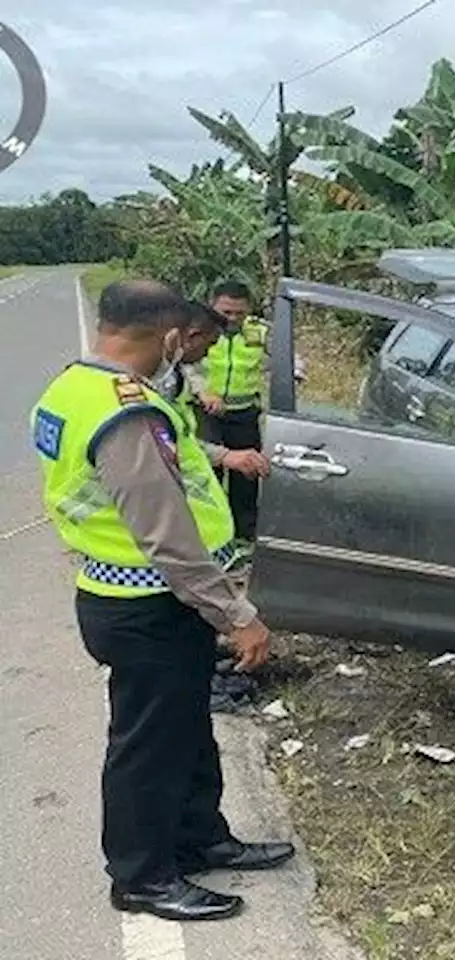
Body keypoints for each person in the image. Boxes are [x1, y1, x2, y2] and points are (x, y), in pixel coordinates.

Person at [30, 279, 294, 923]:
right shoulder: (127, 409)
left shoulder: (74, 387)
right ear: (169, 335)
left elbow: (170, 454)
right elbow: (168, 538)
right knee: (148, 745)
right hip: (148, 604)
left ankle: (199, 838)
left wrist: (222, 452)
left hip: (133, 598)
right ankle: (143, 877)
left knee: (186, 731)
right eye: (185, 340)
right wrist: (238, 615)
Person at [190, 281, 269, 550]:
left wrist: (295, 370)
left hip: (244, 414)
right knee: (206, 473)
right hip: (207, 413)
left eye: (239, 313)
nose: (232, 318)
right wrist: (203, 392)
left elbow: (285, 358)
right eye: (226, 312)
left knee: (247, 476)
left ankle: (244, 536)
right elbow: (185, 367)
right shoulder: (198, 331)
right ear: (212, 307)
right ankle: (206, 536)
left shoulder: (259, 332)